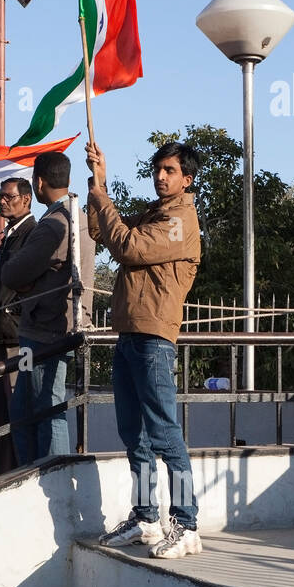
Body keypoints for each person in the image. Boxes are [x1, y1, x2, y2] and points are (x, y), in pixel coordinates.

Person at [87, 139, 204, 559]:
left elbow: (128, 247)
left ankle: (187, 523)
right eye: (158, 169)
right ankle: (146, 518)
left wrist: (103, 196)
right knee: (134, 435)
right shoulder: (156, 214)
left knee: (165, 434)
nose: (160, 176)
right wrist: (97, 183)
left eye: (170, 170)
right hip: (130, 333)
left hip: (154, 338)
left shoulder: (178, 221)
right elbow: (101, 231)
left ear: (187, 179)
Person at [1, 152, 76, 465]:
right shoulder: (77, 216)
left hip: (45, 331)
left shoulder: (51, 224)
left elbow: (12, 274)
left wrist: (26, 280)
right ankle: (34, 472)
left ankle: (51, 473)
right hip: (48, 328)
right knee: (27, 407)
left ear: (39, 182)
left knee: (46, 407)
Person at [0, 177, 36, 473]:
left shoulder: (32, 232)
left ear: (25, 199)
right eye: (0, 197)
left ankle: (21, 472)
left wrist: (11, 311)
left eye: (8, 197)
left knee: (18, 407)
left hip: (15, 337)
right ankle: (4, 475)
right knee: (0, 413)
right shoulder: (11, 235)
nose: (2, 202)